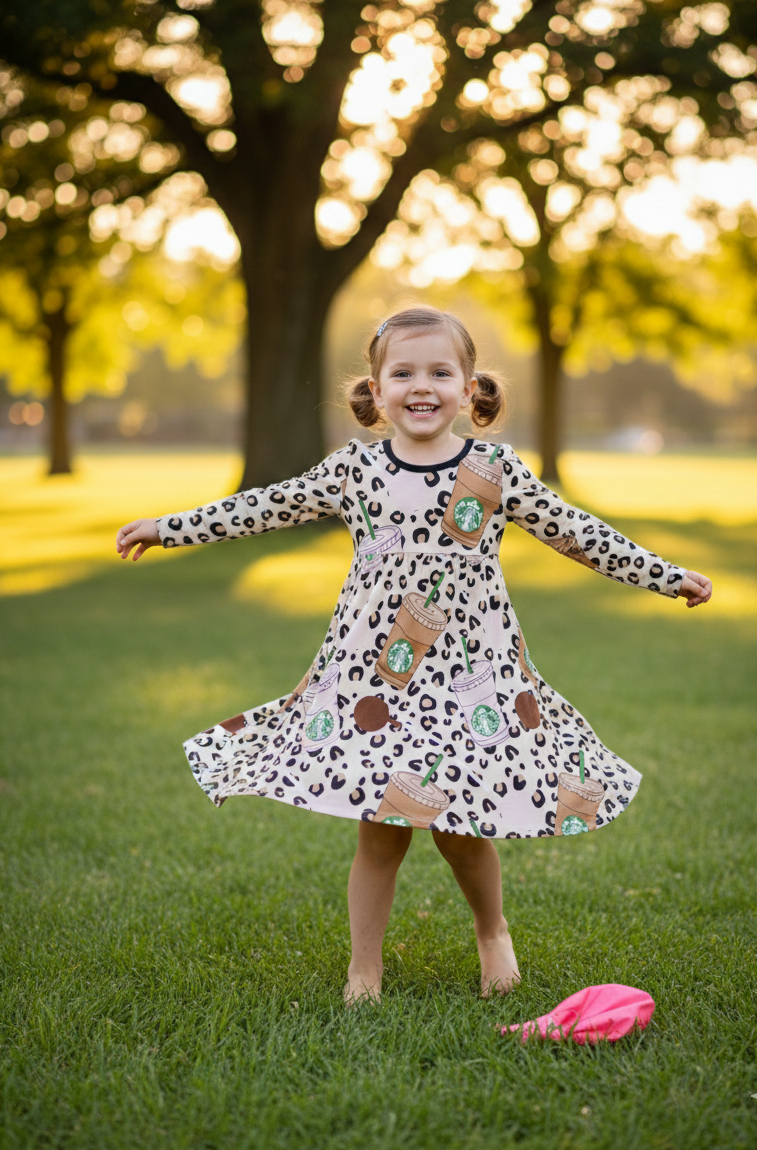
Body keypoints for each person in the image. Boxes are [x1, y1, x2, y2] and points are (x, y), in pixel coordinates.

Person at [116, 306, 712, 1005]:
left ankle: (493, 933)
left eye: (439, 371)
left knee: (459, 831)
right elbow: (263, 506)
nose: (420, 385)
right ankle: (362, 969)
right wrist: (168, 528)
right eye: (402, 372)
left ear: (469, 390)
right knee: (380, 831)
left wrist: (664, 575)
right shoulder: (353, 470)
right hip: (376, 681)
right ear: (374, 391)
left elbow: (577, 532)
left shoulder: (494, 469)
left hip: (472, 679)